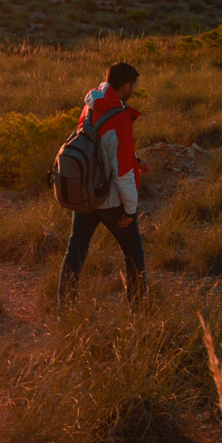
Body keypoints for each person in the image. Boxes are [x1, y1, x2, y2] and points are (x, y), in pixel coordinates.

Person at [58, 62, 148, 308]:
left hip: (86, 194)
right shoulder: (119, 117)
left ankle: (64, 308)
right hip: (111, 201)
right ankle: (138, 310)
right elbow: (122, 172)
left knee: (75, 252)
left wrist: (136, 159)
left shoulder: (90, 106)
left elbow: (96, 147)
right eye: (133, 86)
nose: (134, 90)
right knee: (134, 255)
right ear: (126, 86)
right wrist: (130, 210)